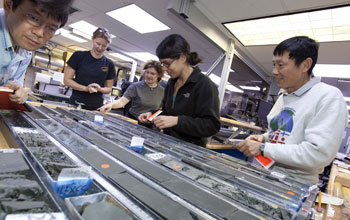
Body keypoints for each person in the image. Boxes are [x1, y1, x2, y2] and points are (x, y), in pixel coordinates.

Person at [236, 36, 348, 185]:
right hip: (267, 173)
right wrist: (264, 138)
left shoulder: (328, 97)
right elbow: (283, 134)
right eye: (274, 64)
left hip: (295, 184)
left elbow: (317, 153)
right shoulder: (285, 94)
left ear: (305, 65)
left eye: (281, 65)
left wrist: (263, 148)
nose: (274, 71)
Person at [138, 34, 220, 147]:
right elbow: (167, 112)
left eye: (167, 63)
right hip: (168, 144)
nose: (164, 69)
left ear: (182, 58)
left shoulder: (204, 85)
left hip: (190, 151)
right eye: (162, 64)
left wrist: (177, 121)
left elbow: (211, 126)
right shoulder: (171, 83)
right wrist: (152, 115)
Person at [0, 0, 73, 104]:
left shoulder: (26, 50)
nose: (39, 33)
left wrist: (17, 93)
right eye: (33, 18)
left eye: (51, 28)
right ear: (9, 5)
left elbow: (15, 86)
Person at [64, 27, 116, 110]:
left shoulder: (109, 64)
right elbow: (67, 80)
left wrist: (99, 89)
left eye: (104, 46)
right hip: (76, 104)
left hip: (96, 107)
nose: (100, 48)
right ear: (92, 39)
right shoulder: (79, 56)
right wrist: (86, 89)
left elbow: (108, 88)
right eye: (98, 44)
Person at [98, 60, 164, 120]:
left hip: (149, 125)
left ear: (159, 75)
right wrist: (110, 105)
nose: (149, 75)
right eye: (147, 72)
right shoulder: (136, 86)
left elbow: (160, 109)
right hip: (133, 120)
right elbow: (122, 101)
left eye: (152, 73)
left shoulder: (162, 91)